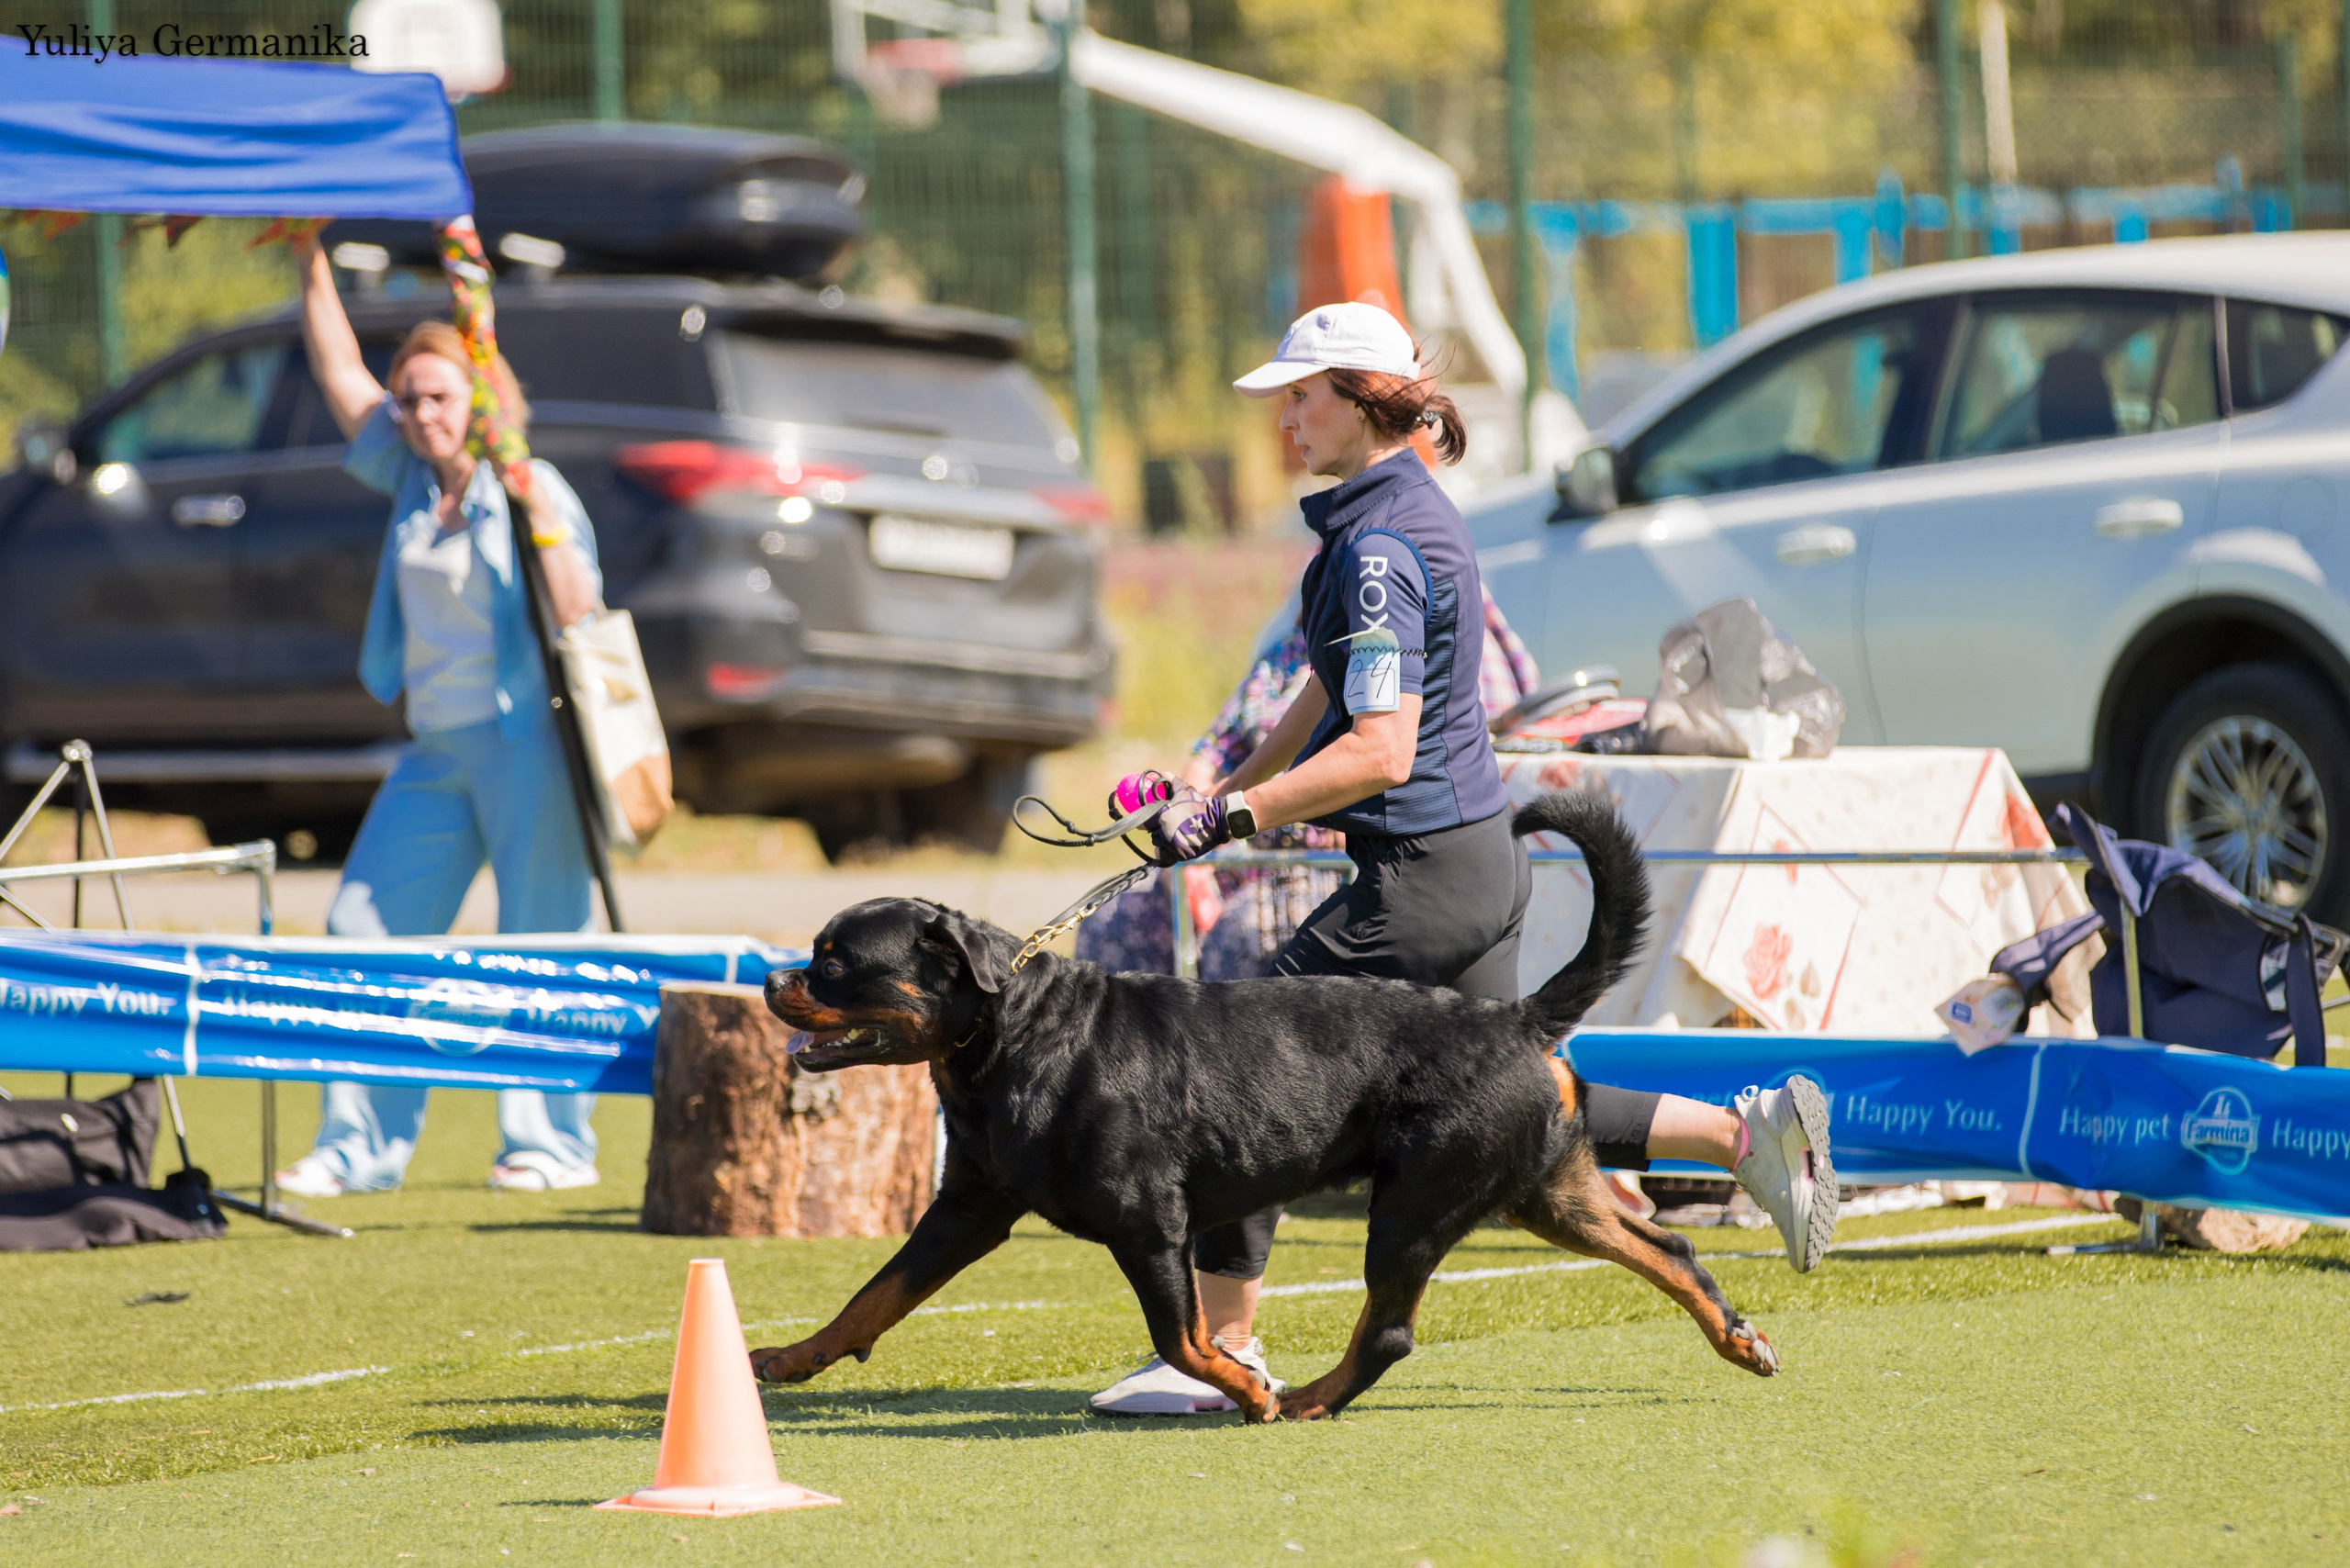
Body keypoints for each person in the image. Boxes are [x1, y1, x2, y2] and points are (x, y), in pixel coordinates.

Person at [1088, 302, 1837, 1417]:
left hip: (1424, 884)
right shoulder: (1395, 516)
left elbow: (1379, 747)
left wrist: (1233, 826)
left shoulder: (1379, 542)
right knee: (1514, 1103)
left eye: (1300, 395)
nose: (1284, 418)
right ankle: (1747, 1133)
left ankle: (1221, 1351)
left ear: (1359, 398)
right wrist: (1220, 793)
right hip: (1476, 868)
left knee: (1231, 1077)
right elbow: (1323, 694)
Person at [272, 235, 607, 1197]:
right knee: (361, 925)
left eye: (439, 397)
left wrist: (531, 499)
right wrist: (308, 258)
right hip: (437, 747)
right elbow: (339, 374)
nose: (420, 414)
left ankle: (548, 1144)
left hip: (528, 742)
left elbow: (580, 606)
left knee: (541, 937)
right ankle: (357, 1146)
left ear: (481, 402)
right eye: (409, 398)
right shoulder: (414, 479)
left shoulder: (527, 483)